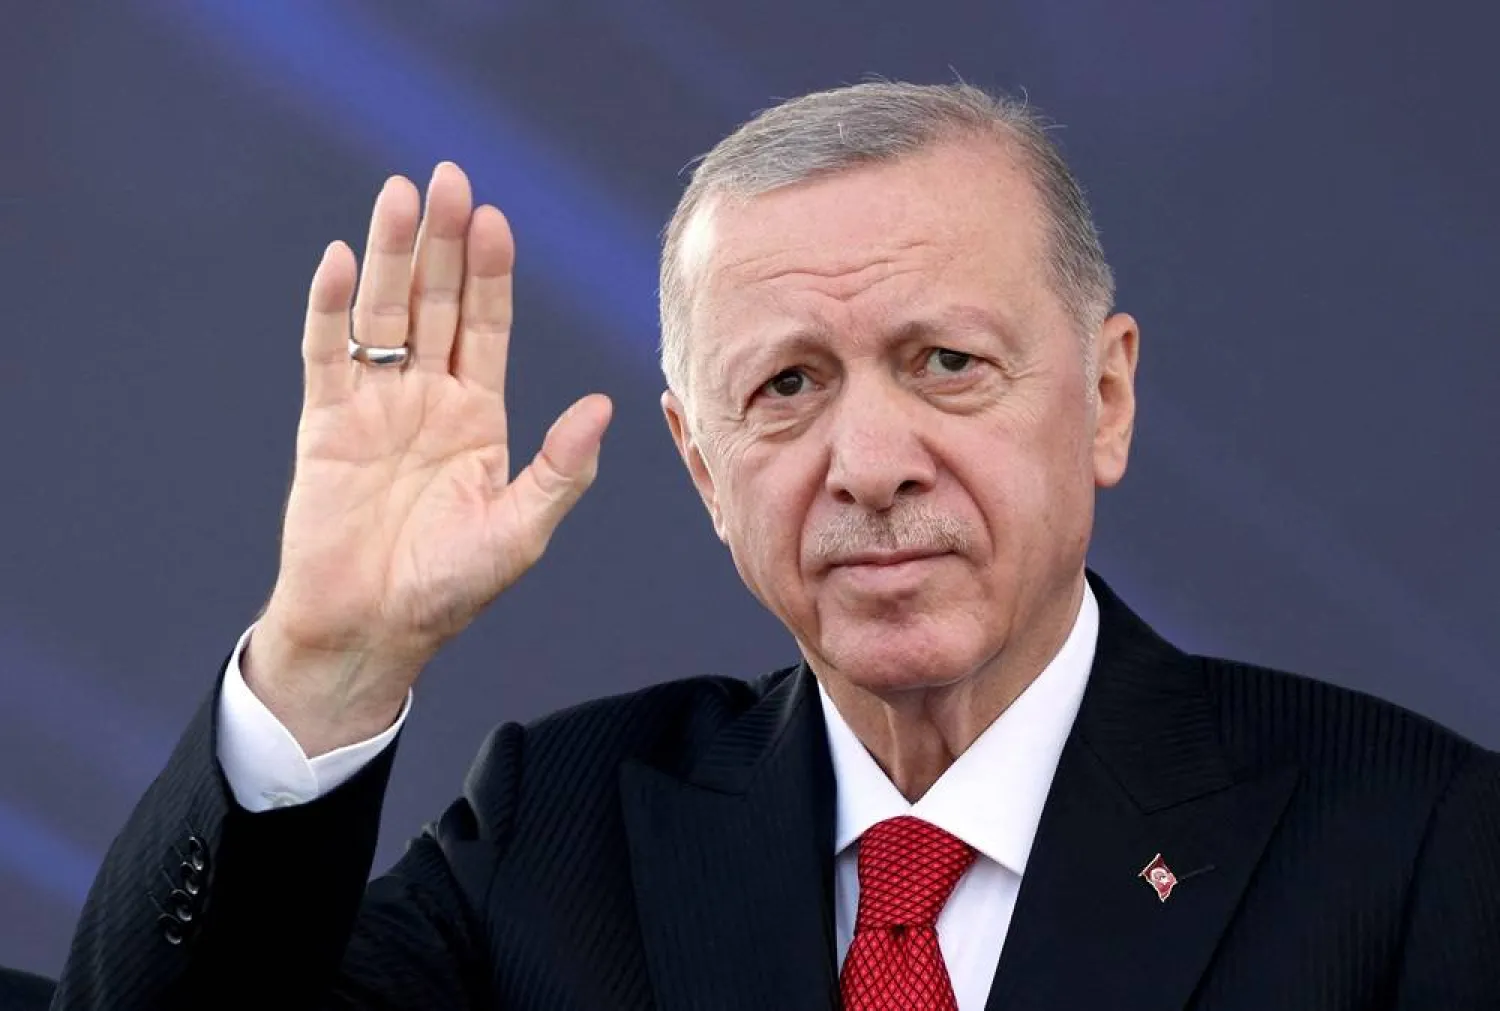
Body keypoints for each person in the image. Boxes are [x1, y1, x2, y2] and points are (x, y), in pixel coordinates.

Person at [52, 82, 1499, 1010]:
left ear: (1106, 398)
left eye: (945, 362)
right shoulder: (560, 834)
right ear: (702, 464)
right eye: (788, 386)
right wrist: (329, 659)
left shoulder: (1412, 842)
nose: (868, 465)